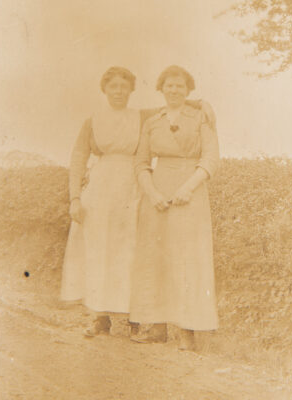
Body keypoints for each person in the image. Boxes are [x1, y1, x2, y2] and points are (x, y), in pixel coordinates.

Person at [60, 66, 215, 337]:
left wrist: (199, 102)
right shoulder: (92, 120)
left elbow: (173, 101)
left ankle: (133, 318)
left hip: (133, 189)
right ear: (104, 89)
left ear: (132, 90)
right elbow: (77, 158)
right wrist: (75, 198)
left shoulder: (143, 116)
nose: (119, 92)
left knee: (132, 251)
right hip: (99, 191)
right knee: (99, 249)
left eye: (124, 87)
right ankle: (100, 316)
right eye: (113, 87)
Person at [129, 65, 220, 351]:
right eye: (169, 85)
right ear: (161, 88)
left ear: (188, 89)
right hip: (158, 194)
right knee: (156, 257)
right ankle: (157, 327)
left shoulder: (201, 117)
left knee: (187, 258)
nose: (174, 90)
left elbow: (210, 159)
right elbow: (141, 163)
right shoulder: (152, 121)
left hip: (190, 192)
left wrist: (188, 187)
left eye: (179, 86)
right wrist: (153, 193)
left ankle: (187, 331)